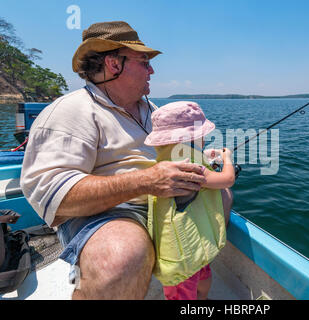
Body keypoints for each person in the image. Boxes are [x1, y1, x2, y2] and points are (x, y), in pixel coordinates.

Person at [19, 21, 233, 299]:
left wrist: (201, 159)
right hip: (107, 214)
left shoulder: (152, 110)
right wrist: (146, 182)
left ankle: (189, 270)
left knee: (224, 194)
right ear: (113, 64)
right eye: (144, 62)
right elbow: (53, 197)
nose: (152, 70)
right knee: (121, 255)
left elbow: (174, 153)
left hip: (162, 202)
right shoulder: (69, 111)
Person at [144, 101, 235, 300]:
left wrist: (202, 155)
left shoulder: (166, 166)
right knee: (195, 287)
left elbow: (184, 154)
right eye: (202, 136)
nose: (205, 139)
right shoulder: (192, 170)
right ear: (190, 140)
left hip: (185, 255)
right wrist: (227, 158)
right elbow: (227, 179)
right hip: (188, 258)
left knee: (199, 280)